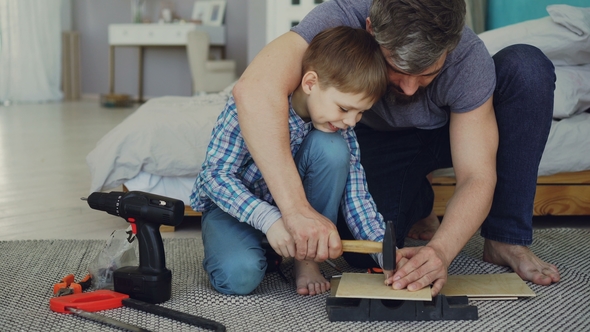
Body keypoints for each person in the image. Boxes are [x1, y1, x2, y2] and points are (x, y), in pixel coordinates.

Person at [232, 0, 561, 297]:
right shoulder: (341, 16)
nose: (408, 88)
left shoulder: (468, 57)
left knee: (528, 68)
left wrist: (441, 251)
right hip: (377, 138)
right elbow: (254, 89)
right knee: (366, 255)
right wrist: (296, 210)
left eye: (427, 74)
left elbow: (476, 174)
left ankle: (506, 239)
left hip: (449, 134)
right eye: (397, 69)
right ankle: (420, 198)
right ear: (371, 29)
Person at [190, 26, 389, 296]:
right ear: (310, 83)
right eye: (344, 108)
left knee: (332, 149)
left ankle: (306, 262)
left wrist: (384, 250)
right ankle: (257, 246)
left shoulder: (341, 129)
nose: (351, 121)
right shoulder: (253, 106)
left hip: (294, 215)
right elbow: (214, 177)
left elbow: (356, 197)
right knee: (238, 276)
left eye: (361, 113)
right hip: (235, 207)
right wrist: (269, 220)